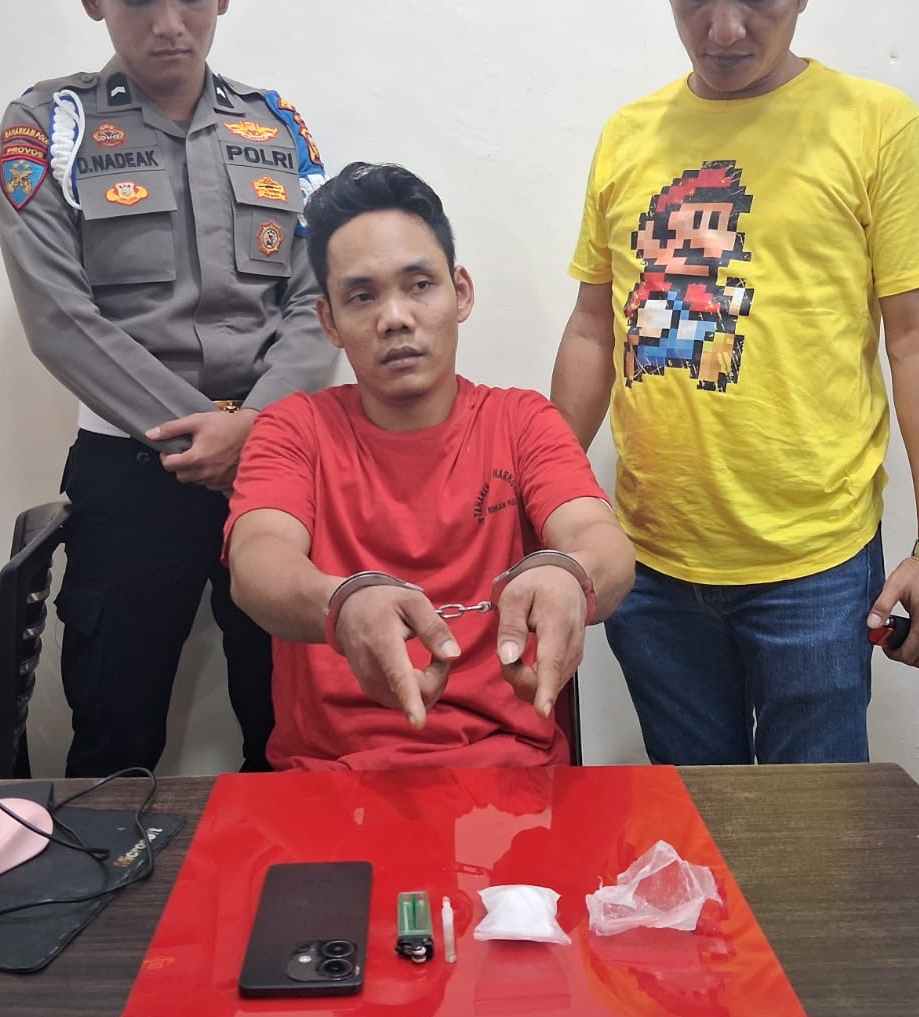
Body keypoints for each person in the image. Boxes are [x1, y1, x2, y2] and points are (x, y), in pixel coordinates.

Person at [550, 0, 919, 766]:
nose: (724, 29)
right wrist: (540, 496)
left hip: (814, 567)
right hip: (649, 561)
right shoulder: (628, 135)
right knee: (693, 817)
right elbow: (592, 327)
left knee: (809, 832)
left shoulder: (876, 127)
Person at [0, 0, 335, 777]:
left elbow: (315, 301)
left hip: (272, 462)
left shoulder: (279, 131)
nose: (168, 22)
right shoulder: (50, 127)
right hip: (131, 471)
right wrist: (201, 434)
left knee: (292, 730)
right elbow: (58, 315)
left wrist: (256, 429)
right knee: (114, 733)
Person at [224, 162, 635, 769]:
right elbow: (257, 560)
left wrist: (571, 574)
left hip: (514, 775)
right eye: (362, 297)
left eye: (419, 285)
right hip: (328, 777)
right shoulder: (294, 429)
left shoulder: (522, 421)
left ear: (460, 292)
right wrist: (340, 604)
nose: (394, 317)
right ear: (329, 321)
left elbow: (601, 540)